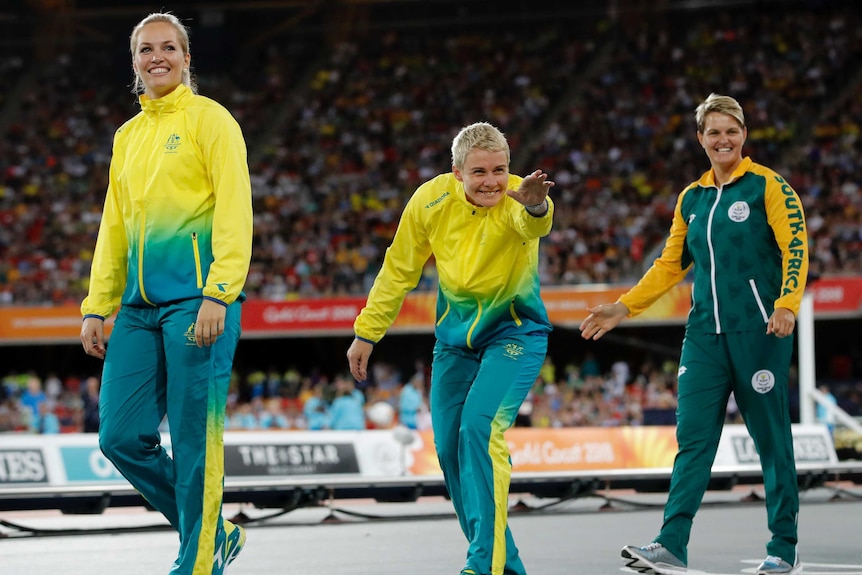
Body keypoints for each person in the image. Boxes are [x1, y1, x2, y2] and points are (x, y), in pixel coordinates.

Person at [579, 93, 808, 575]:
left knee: (772, 441)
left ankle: (783, 546)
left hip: (760, 330)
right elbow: (669, 266)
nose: (723, 139)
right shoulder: (692, 198)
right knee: (693, 440)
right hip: (704, 335)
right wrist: (624, 306)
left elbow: (796, 248)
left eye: (731, 130)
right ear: (700, 138)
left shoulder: (769, 186)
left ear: (743, 134)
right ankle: (671, 545)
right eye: (713, 132)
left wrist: (787, 305)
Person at [79, 12, 252, 575]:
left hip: (196, 303)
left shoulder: (212, 121)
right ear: (134, 62)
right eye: (147, 49)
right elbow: (114, 226)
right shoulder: (127, 137)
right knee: (120, 437)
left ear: (186, 57)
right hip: (135, 309)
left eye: (169, 47)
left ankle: (199, 560)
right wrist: (97, 305)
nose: (158, 57)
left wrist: (219, 293)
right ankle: (213, 533)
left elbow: (234, 210)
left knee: (195, 437)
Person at [347, 122, 555, 575]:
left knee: (479, 430)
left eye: (500, 170)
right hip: (455, 344)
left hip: (514, 336)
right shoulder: (430, 200)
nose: (492, 182)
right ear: (457, 172)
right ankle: (507, 564)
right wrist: (368, 331)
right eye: (479, 172)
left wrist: (536, 203)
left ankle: (484, 564)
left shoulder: (521, 196)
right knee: (449, 451)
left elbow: (535, 219)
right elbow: (399, 268)